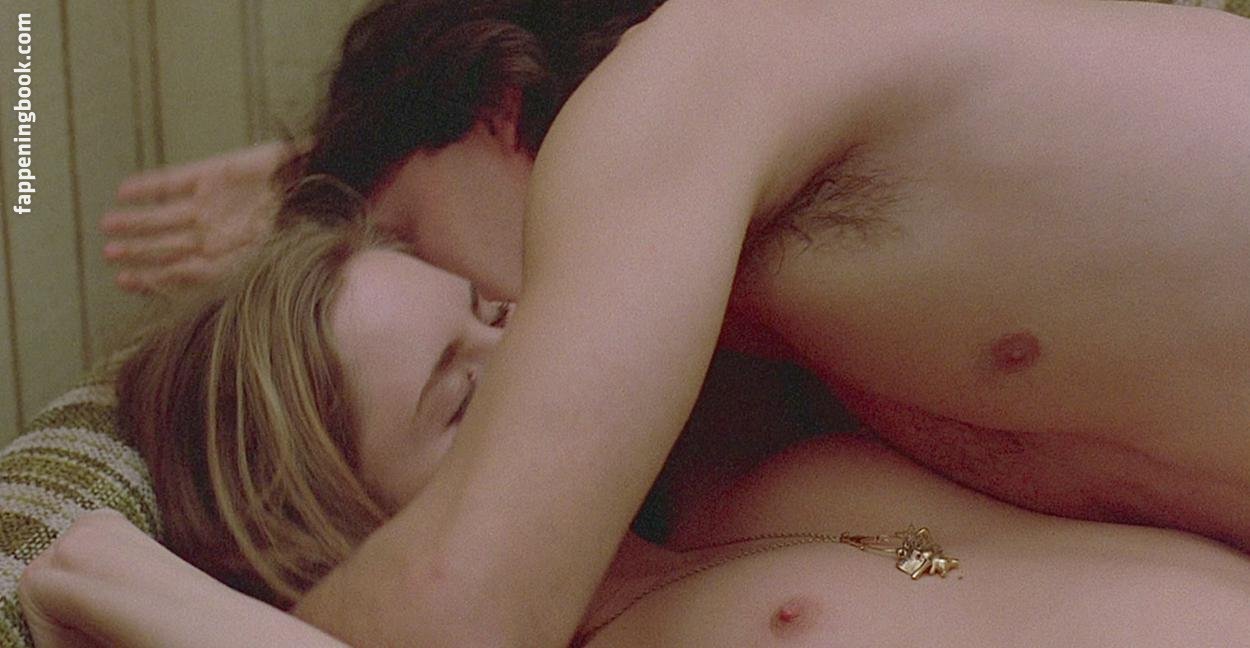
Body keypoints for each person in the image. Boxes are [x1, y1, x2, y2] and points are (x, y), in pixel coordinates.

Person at [21, 222, 1250, 647]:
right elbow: (80, 564)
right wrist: (119, 574)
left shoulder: (745, 458)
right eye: (456, 397)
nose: (536, 360)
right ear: (342, 541)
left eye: (493, 313)